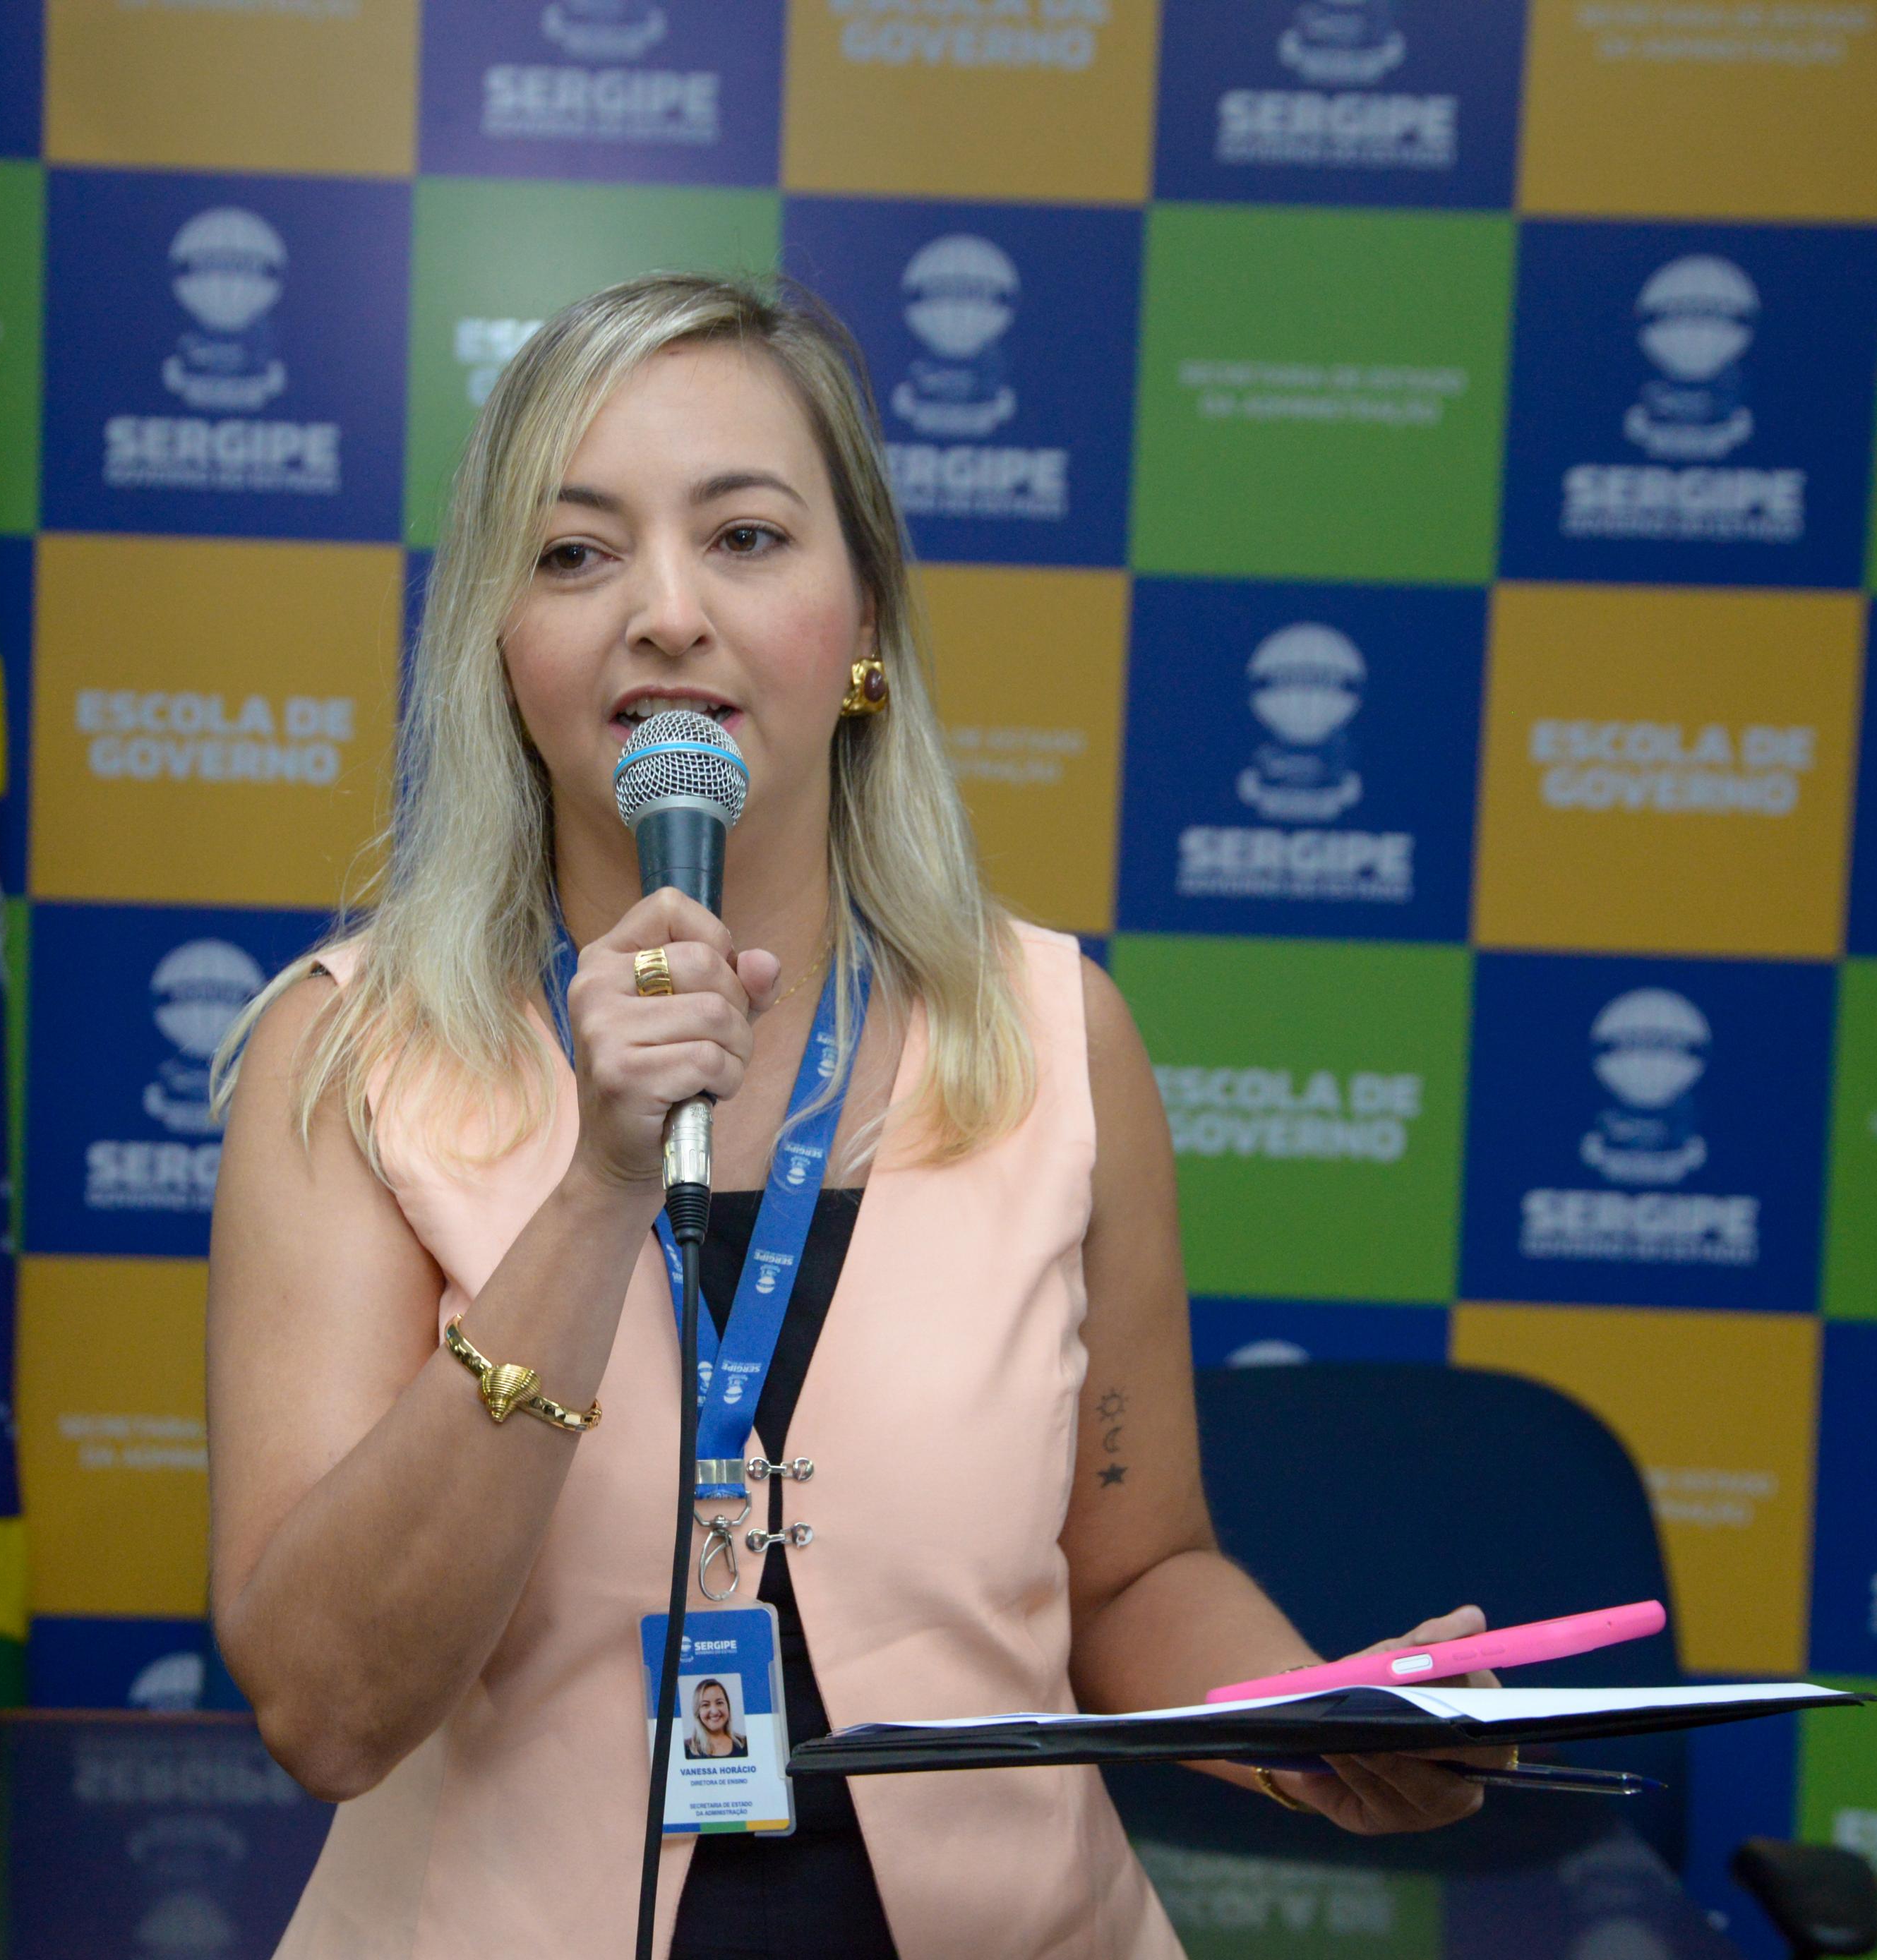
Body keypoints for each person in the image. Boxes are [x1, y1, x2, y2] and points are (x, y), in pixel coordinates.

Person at [206, 272, 1505, 1960]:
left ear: (866, 615)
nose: (665, 613)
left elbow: (1129, 1575)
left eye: (745, 536)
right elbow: (328, 1706)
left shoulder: (1054, 1035)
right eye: (575, 551)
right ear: (496, 644)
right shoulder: (349, 1057)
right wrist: (601, 1179)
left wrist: (1312, 1716)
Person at [684, 1678, 747, 1760]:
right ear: (697, 1711)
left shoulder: (745, 1744)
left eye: (719, 1703)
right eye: (705, 1705)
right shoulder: (687, 1749)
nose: (714, 1711)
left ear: (728, 1706)